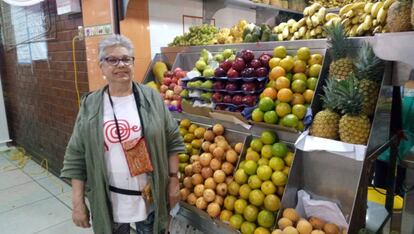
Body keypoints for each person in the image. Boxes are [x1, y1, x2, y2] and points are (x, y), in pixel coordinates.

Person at [60, 34, 184, 234]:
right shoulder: (91, 105)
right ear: (101, 66)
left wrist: (173, 180)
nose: (121, 65)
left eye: (126, 59)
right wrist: (78, 203)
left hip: (150, 198)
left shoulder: (151, 97)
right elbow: (76, 155)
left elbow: (172, 140)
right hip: (109, 201)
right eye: (112, 59)